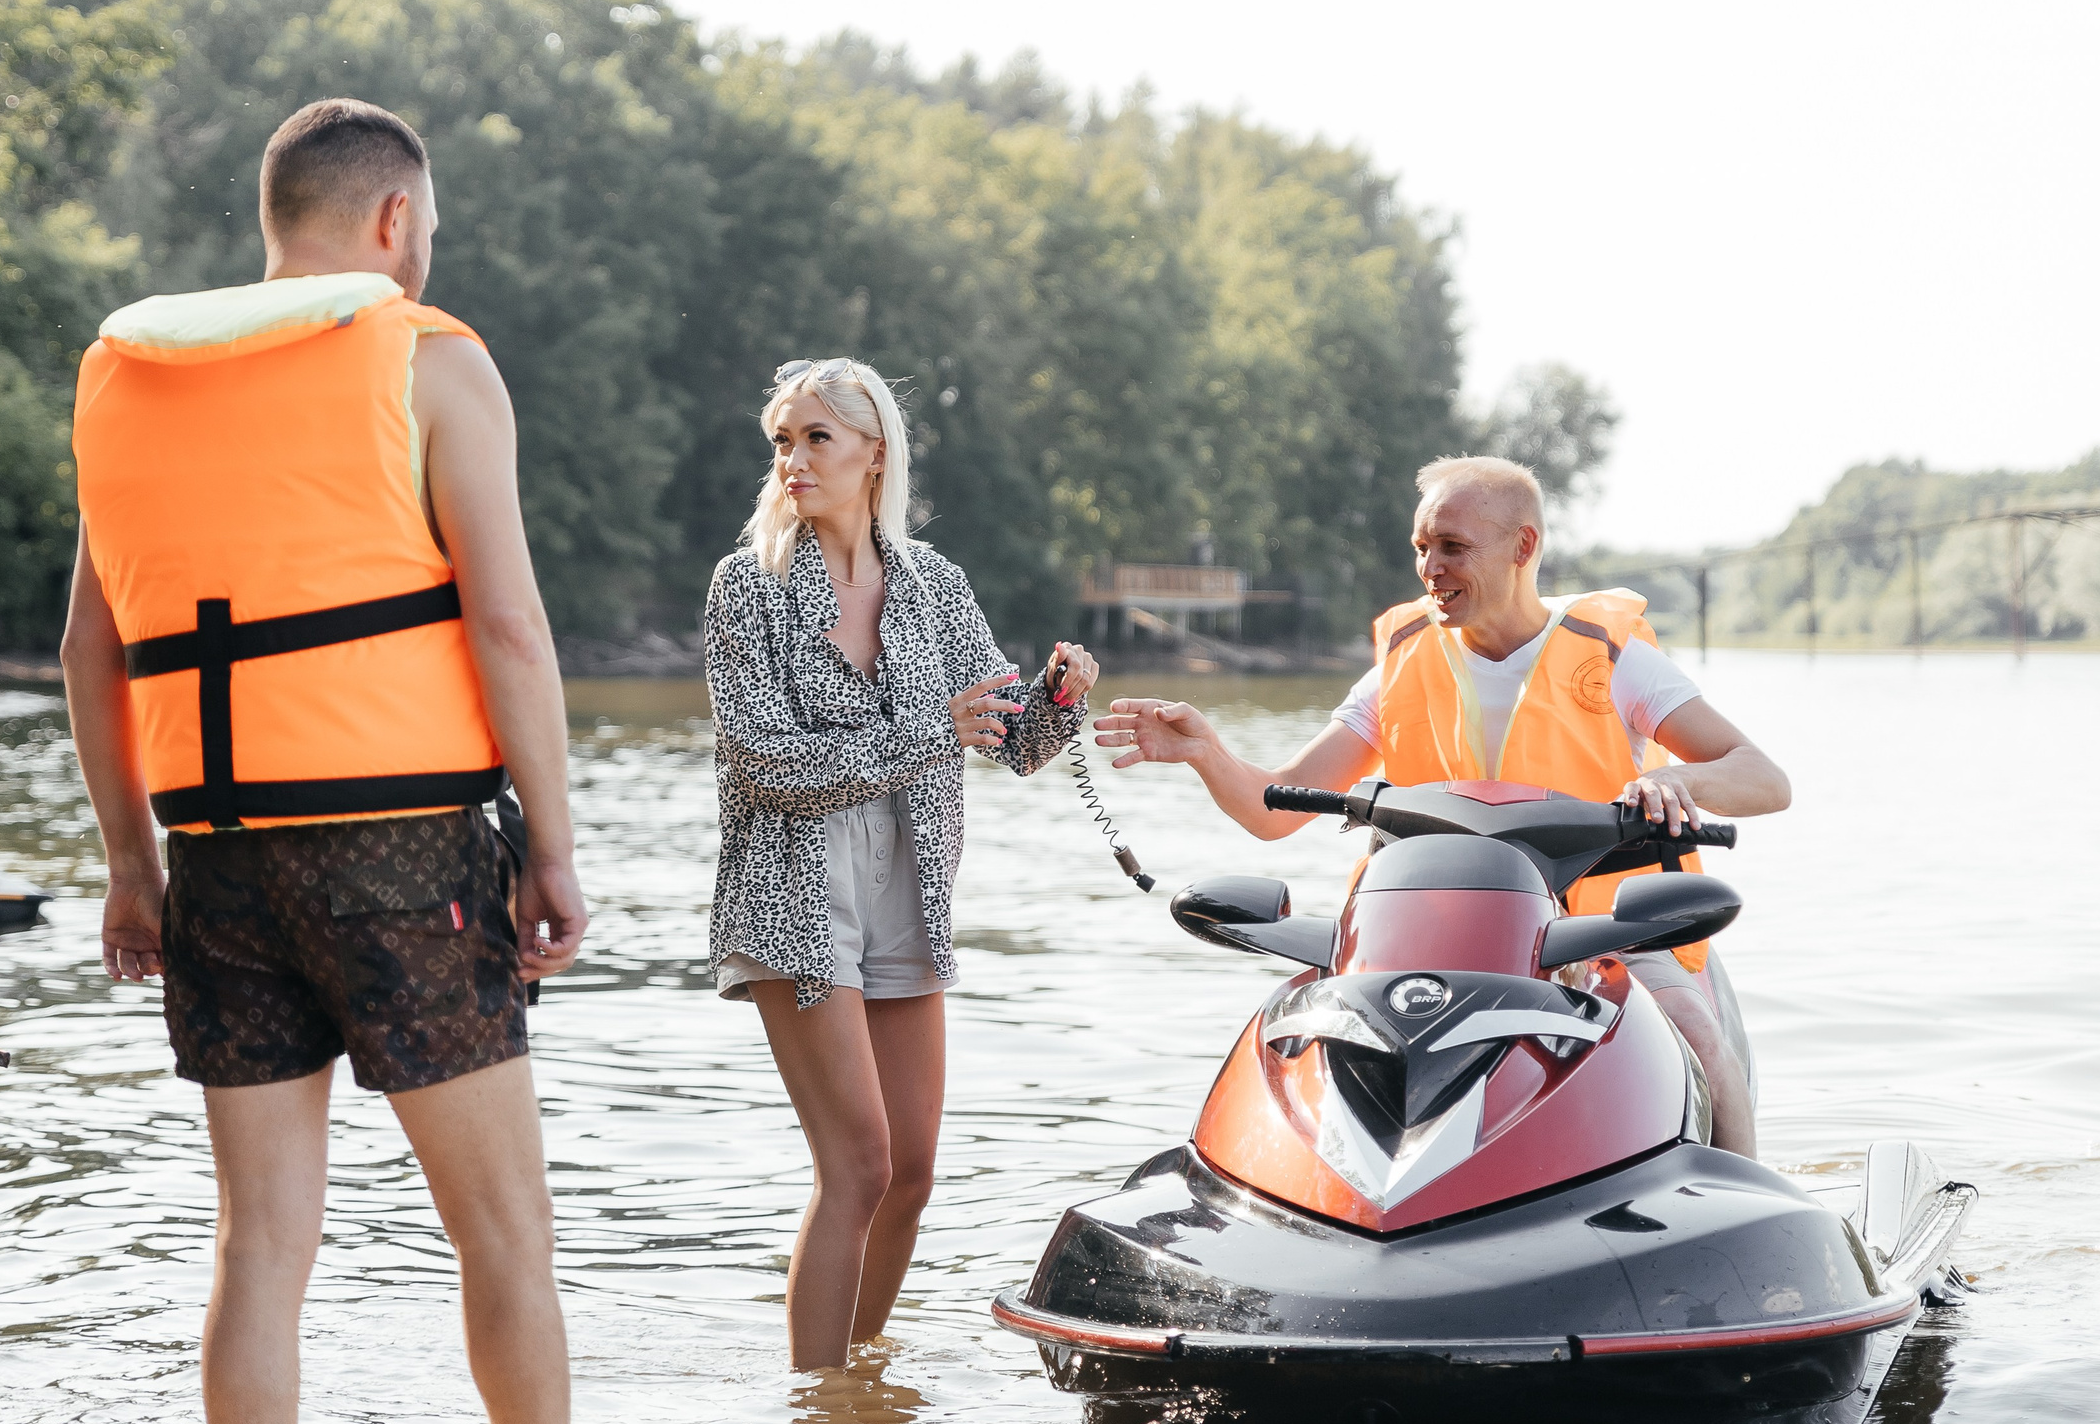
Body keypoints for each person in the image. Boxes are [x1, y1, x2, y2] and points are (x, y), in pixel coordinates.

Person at [59, 98, 627, 1424]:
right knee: (504, 1230)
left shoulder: (124, 378)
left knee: (260, 1246)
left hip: (218, 860)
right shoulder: (431, 357)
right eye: (427, 227)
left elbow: (87, 647)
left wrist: (132, 864)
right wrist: (555, 845)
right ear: (391, 221)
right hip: (403, 848)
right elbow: (507, 623)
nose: (428, 250)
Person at [1094, 455, 1788, 1157]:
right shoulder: (1401, 663)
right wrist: (1206, 752)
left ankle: (1745, 1209)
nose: (1430, 567)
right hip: (1438, 939)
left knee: (1697, 1032)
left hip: (1601, 937)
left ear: (1522, 547)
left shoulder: (1613, 660)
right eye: (1422, 548)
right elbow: (1273, 812)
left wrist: (1679, 786)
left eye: (1452, 547)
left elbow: (1764, 777)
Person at [704, 356, 1097, 1370]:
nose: (792, 459)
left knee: (912, 1172)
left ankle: (861, 1397)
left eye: (814, 439)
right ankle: (817, 1414)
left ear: (874, 454)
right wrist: (930, 731)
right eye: (781, 441)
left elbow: (1009, 742)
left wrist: (1060, 696)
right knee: (857, 1165)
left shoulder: (934, 585)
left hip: (907, 887)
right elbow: (765, 764)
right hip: (791, 893)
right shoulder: (746, 587)